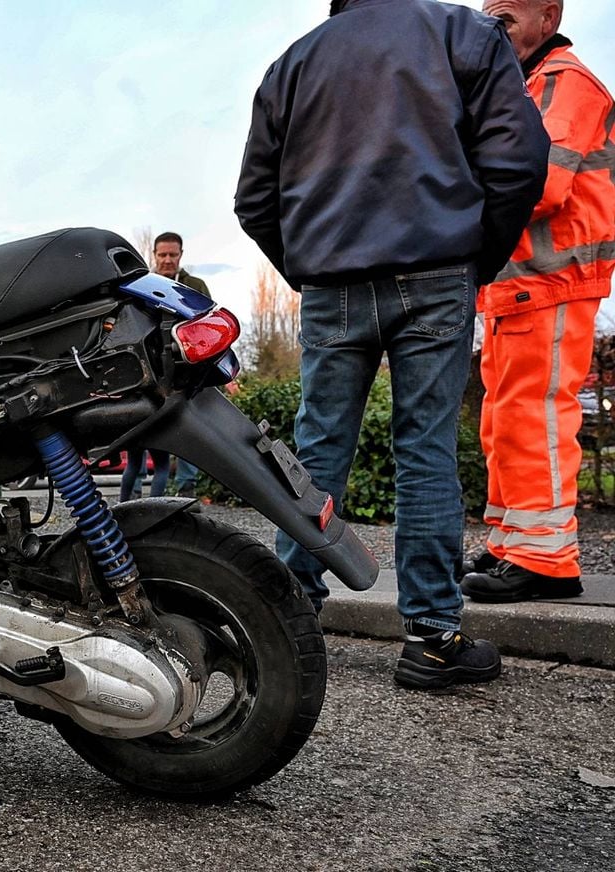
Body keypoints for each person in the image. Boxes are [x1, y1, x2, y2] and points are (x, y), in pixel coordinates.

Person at [235, 0, 549, 689]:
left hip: (333, 279)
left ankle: (287, 621)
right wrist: (474, 257)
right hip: (437, 270)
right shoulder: (462, 33)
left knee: (316, 454)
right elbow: (520, 158)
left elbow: (254, 198)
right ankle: (433, 638)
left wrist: (311, 264)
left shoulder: (294, 63)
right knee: (425, 451)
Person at [462, 0, 615, 604]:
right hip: (520, 283)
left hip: (550, 281)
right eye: (487, 18)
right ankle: (512, 544)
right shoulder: (528, 83)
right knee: (505, 417)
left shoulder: (564, 83)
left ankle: (544, 559)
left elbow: (538, 183)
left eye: (506, 19)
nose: (493, 32)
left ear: (548, 18)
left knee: (536, 415)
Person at [151, 231, 213, 498]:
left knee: (190, 429)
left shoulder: (195, 286)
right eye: (162, 254)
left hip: (188, 372)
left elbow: (209, 325)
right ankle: (155, 497)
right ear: (154, 255)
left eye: (172, 255)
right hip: (154, 373)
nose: (167, 260)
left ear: (180, 255)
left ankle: (187, 491)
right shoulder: (144, 285)